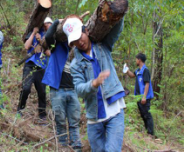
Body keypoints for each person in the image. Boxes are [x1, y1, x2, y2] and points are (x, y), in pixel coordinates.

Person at [66, 16, 126, 151]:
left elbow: (116, 30)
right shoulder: (75, 65)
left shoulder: (103, 47)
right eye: (74, 41)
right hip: (94, 118)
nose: (79, 42)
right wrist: (94, 83)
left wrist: (118, 11)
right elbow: (79, 89)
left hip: (115, 112)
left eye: (79, 36)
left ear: (86, 31)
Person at [42, 17, 82, 150]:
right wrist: (57, 22)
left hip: (73, 90)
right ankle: (63, 147)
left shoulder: (79, 50)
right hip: (57, 89)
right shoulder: (57, 46)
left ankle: (77, 147)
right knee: (60, 121)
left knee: (74, 122)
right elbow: (48, 37)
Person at [17, 17, 52, 120]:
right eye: (47, 24)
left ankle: (42, 115)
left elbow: (49, 53)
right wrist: (33, 33)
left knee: (42, 92)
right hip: (30, 64)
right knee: (26, 88)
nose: (48, 26)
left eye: (50, 24)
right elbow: (26, 47)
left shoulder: (50, 37)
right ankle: (20, 109)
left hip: (41, 66)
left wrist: (41, 43)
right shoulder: (36, 31)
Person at [123, 53, 155, 136]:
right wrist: (127, 70)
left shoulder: (145, 70)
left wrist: (144, 97)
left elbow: (147, 84)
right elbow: (132, 75)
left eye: (136, 59)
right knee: (143, 115)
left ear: (139, 60)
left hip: (144, 97)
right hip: (138, 97)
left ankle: (151, 133)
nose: (135, 60)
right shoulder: (138, 71)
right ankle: (148, 132)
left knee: (147, 115)